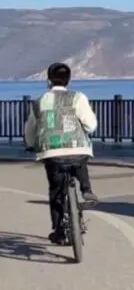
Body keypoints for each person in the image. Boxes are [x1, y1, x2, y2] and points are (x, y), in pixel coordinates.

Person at [23, 62, 100, 244]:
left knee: (56, 191)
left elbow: (31, 129)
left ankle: (58, 230)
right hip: (77, 147)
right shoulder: (78, 98)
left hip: (51, 152)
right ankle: (86, 189)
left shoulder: (40, 101)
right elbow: (91, 125)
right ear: (69, 80)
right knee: (79, 160)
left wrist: (30, 143)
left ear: (48, 80)